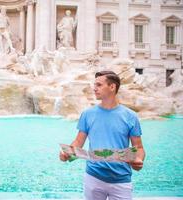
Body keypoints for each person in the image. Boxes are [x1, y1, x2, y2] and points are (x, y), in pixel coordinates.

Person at [59, 71, 145, 200]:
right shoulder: (87, 114)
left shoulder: (130, 116)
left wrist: (139, 160)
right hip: (93, 177)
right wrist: (67, 153)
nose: (94, 88)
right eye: (95, 85)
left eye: (99, 85)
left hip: (121, 179)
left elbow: (138, 147)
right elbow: (78, 141)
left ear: (112, 87)